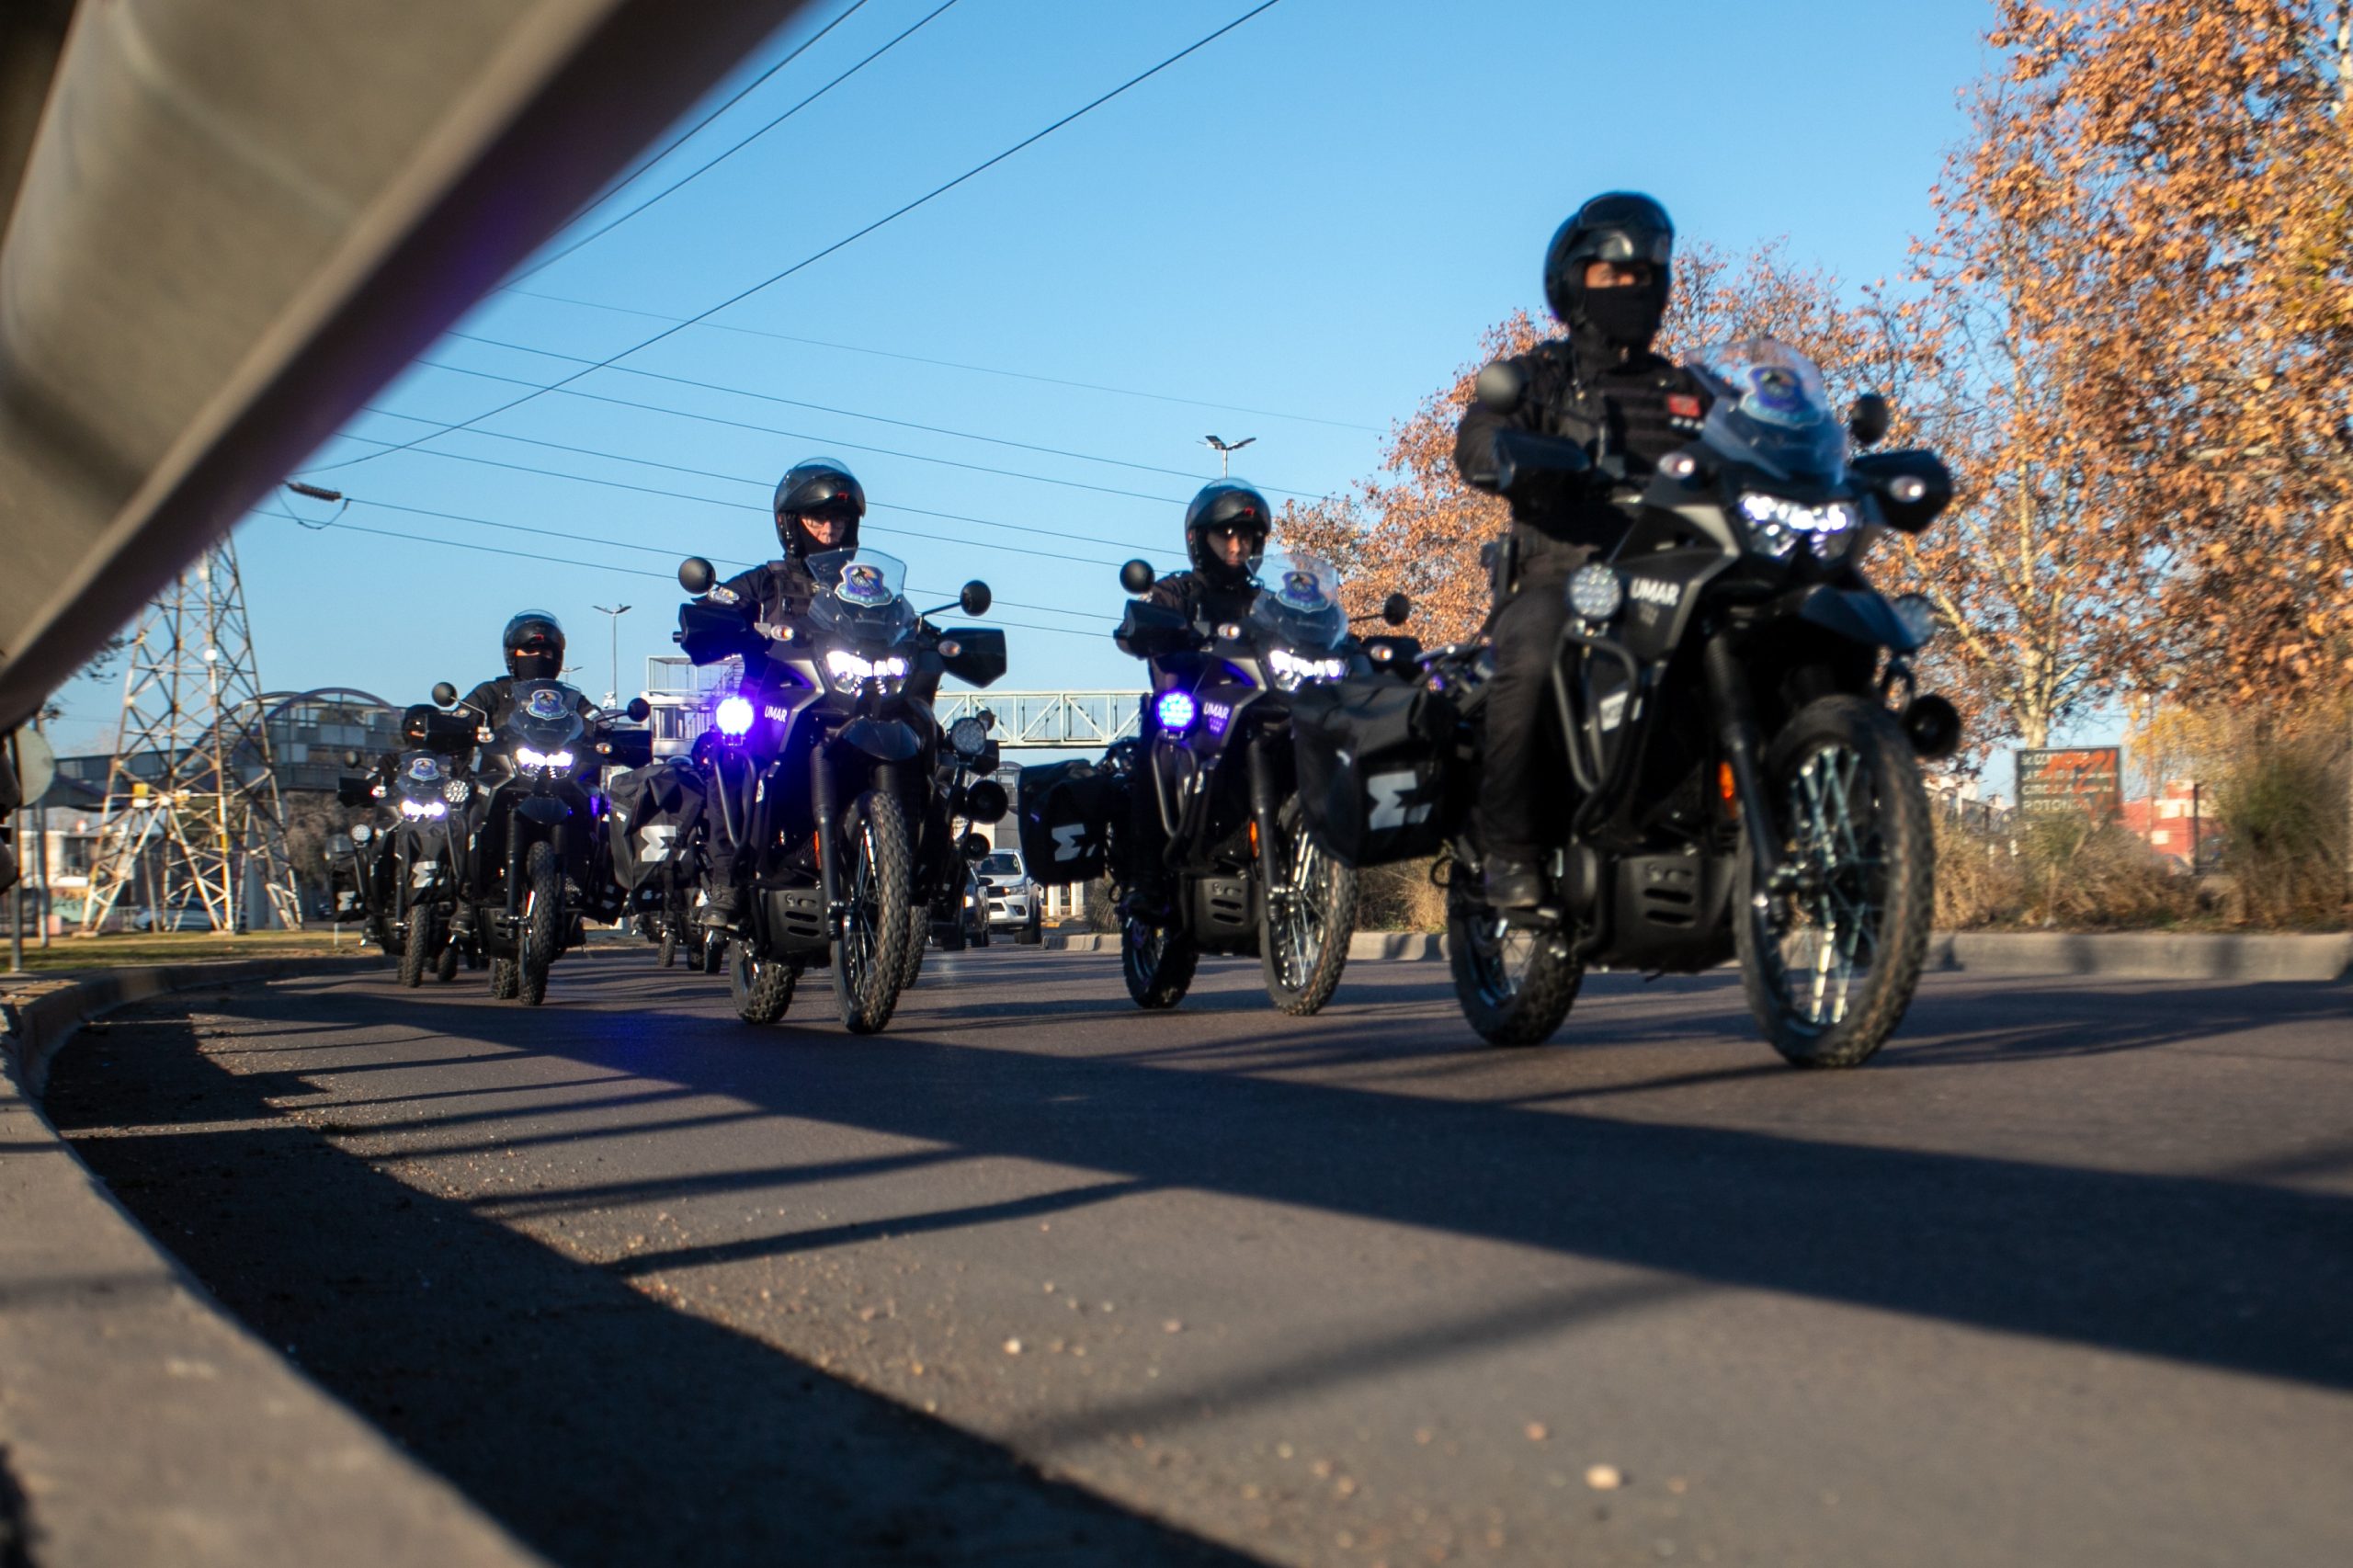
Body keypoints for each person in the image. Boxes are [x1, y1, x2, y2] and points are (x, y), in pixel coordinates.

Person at [1453, 192, 1713, 908]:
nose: (1629, 288)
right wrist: (1513, 457)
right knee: (1537, 649)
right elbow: (1479, 438)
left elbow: (1752, 445)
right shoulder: (1543, 377)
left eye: (1643, 275)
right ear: (1573, 284)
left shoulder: (1688, 390)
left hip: (1677, 578)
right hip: (1565, 575)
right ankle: (1511, 850)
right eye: (1611, 274)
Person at [697, 457, 868, 927]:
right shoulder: (766, 581)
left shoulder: (862, 587)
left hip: (843, 709)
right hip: (774, 709)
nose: (829, 529)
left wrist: (923, 635)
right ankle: (727, 882)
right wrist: (718, 616)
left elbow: (898, 619)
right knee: (729, 753)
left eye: (838, 519)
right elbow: (717, 603)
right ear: (791, 524)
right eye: (818, 518)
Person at [1120, 479, 1273, 921]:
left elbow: (1304, 634)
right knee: (1161, 734)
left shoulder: (1266, 602)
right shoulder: (1177, 592)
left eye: (1246, 537)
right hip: (1194, 711)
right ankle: (1147, 878)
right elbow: (1138, 629)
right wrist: (1154, 631)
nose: (1236, 546)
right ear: (1199, 539)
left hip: (1251, 710)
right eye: (1226, 535)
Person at [451, 610, 600, 733]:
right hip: (500, 760)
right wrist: (454, 726)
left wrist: (605, 727)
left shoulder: (570, 698)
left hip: (563, 758)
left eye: (545, 652)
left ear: (557, 657)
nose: (537, 656)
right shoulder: (492, 693)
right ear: (512, 655)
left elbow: (597, 720)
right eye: (529, 651)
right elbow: (461, 721)